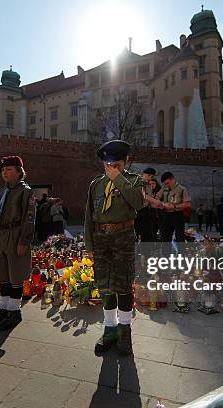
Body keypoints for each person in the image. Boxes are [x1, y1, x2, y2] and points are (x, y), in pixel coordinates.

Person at [84, 140, 145, 356]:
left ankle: (125, 331)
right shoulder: (96, 184)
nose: (111, 168)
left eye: (116, 164)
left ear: (125, 162)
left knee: (123, 283)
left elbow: (138, 202)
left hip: (123, 236)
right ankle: (109, 328)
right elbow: (89, 216)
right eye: (108, 164)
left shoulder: (134, 180)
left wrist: (117, 179)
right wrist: (89, 243)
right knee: (105, 284)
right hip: (101, 237)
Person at [0, 155, 36, 331]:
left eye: (8, 169)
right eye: (2, 170)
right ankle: (4, 309)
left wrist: (24, 240)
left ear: (18, 171)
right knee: (2, 274)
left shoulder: (25, 191)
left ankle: (14, 311)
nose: (4, 173)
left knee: (15, 274)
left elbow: (29, 218)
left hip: (15, 234)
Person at [156, 172, 191, 243]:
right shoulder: (164, 188)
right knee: (165, 236)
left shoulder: (182, 189)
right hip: (166, 215)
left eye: (167, 183)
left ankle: (180, 254)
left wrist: (175, 206)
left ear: (172, 179)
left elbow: (188, 204)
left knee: (180, 237)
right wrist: (162, 204)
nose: (166, 185)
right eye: (165, 183)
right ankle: (165, 254)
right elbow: (157, 197)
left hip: (177, 214)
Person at [135, 167, 158, 242]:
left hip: (145, 210)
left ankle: (145, 252)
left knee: (146, 233)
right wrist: (156, 201)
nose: (150, 178)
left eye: (152, 177)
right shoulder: (138, 182)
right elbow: (144, 195)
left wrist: (160, 205)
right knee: (135, 232)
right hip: (136, 211)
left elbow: (149, 199)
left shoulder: (149, 185)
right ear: (145, 174)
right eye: (149, 176)